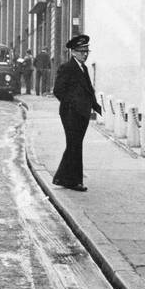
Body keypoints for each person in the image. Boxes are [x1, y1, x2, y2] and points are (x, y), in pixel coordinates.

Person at [51, 34, 102, 192]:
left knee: (74, 145)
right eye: (81, 51)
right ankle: (74, 181)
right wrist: (72, 105)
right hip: (71, 113)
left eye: (86, 51)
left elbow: (88, 89)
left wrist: (96, 106)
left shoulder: (83, 68)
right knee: (75, 145)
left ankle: (62, 178)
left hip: (83, 113)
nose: (84, 54)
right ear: (73, 52)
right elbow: (58, 91)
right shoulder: (67, 68)